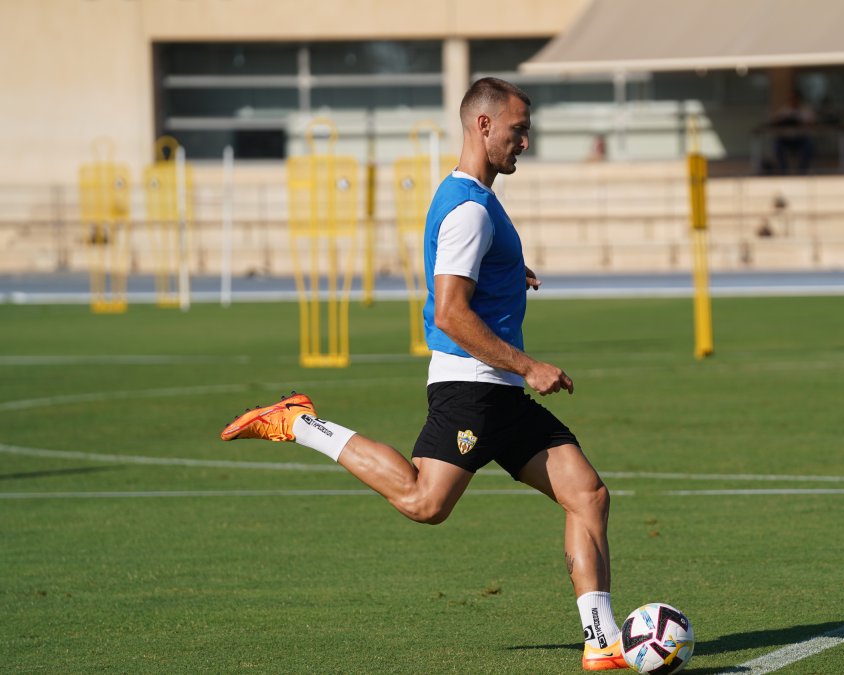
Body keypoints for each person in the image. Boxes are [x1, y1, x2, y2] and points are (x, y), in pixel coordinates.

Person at [219, 77, 627, 672]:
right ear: (483, 126)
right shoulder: (468, 209)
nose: (525, 143)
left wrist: (511, 274)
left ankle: (602, 641)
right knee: (423, 501)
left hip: (498, 394)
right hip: (472, 388)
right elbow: (450, 313)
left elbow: (472, 280)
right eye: (518, 131)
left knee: (587, 494)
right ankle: (300, 423)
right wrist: (529, 365)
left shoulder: (476, 200)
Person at [768, 90, 816, 174]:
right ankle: (784, 170)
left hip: (801, 139)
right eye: (791, 99)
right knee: (777, 144)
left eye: (795, 99)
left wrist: (800, 121)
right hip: (787, 139)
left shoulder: (805, 109)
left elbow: (812, 122)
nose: (793, 101)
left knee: (809, 145)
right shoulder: (785, 110)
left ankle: (802, 170)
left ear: (799, 99)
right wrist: (784, 120)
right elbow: (775, 121)